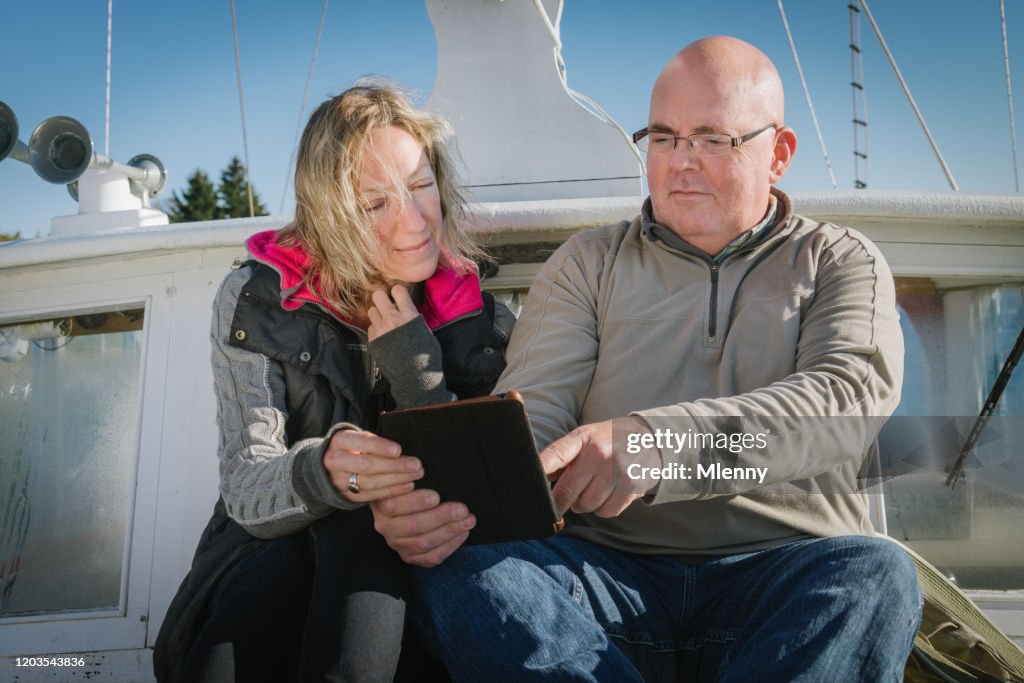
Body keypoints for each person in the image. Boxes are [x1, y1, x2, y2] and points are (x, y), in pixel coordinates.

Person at [386, 36, 923, 681]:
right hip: (605, 585)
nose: (680, 163)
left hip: (784, 580)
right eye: (663, 137)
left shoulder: (840, 260)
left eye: (710, 138)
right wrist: (456, 507)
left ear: (778, 154)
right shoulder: (587, 263)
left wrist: (655, 446)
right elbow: (538, 413)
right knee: (456, 564)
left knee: (878, 575)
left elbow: (843, 405)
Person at [153, 82, 512, 682]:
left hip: (417, 556)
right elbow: (245, 483)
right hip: (271, 549)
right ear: (331, 212)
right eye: (376, 204)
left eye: (421, 187)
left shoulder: (480, 317)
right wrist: (325, 471)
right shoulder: (256, 300)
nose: (413, 221)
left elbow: (494, 491)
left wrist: (419, 377)